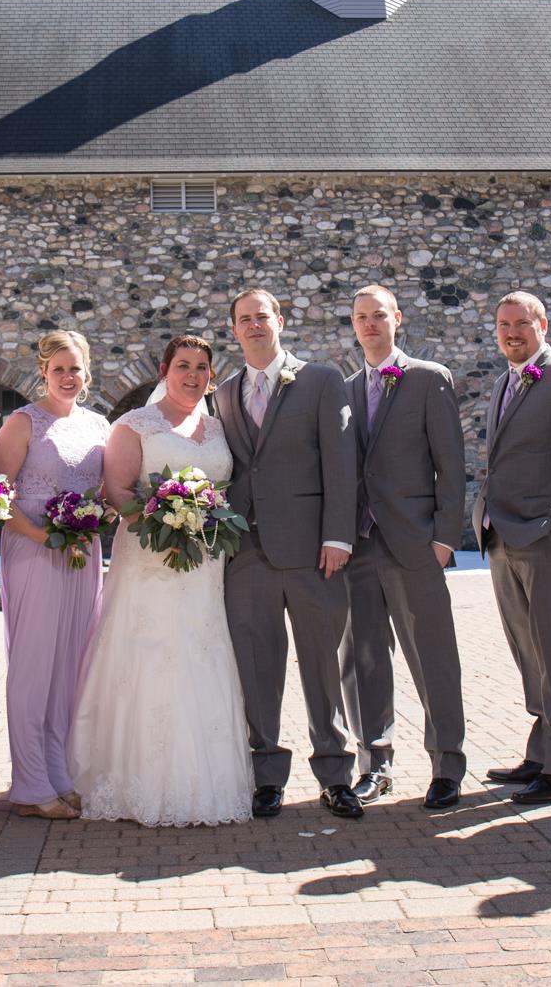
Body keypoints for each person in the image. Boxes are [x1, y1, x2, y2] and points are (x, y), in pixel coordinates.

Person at [69, 336, 253, 825]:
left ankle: (204, 779)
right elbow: (118, 491)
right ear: (164, 368)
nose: (193, 376)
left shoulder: (217, 425)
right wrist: (166, 523)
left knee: (202, 651)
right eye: (184, 366)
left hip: (206, 562)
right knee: (148, 652)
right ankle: (136, 780)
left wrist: (200, 523)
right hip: (150, 558)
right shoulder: (135, 425)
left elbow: (224, 490)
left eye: (202, 368)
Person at [214, 289, 363, 821]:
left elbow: (342, 462)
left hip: (311, 551)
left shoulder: (321, 379)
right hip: (246, 552)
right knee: (257, 668)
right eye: (244, 319)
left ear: (280, 320)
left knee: (323, 664)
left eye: (262, 316)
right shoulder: (225, 393)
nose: (254, 325)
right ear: (234, 329)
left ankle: (335, 773)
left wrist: (338, 537)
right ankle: (267, 775)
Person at [338, 285, 468, 811]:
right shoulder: (345, 389)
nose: (370, 325)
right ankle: (375, 762)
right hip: (360, 545)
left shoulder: (427, 378)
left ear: (397, 319)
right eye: (360, 317)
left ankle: (447, 765)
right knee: (363, 657)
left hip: (415, 542)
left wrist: (444, 537)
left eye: (378, 316)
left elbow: (452, 465)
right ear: (353, 325)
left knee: (433, 655)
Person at [474, 290, 551, 806]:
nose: (511, 333)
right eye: (503, 325)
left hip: (546, 536)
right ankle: (543, 747)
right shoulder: (506, 380)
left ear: (542, 324)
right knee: (528, 650)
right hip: (503, 535)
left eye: (521, 323)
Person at [0, 331, 109, 820]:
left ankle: (60, 774)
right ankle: (31, 784)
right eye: (58, 369)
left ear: (86, 372)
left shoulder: (100, 425)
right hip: (34, 550)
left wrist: (94, 523)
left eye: (75, 368)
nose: (67, 377)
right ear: (43, 372)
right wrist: (46, 537)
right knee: (35, 665)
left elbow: (106, 491)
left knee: (71, 667)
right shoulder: (23, 422)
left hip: (82, 551)